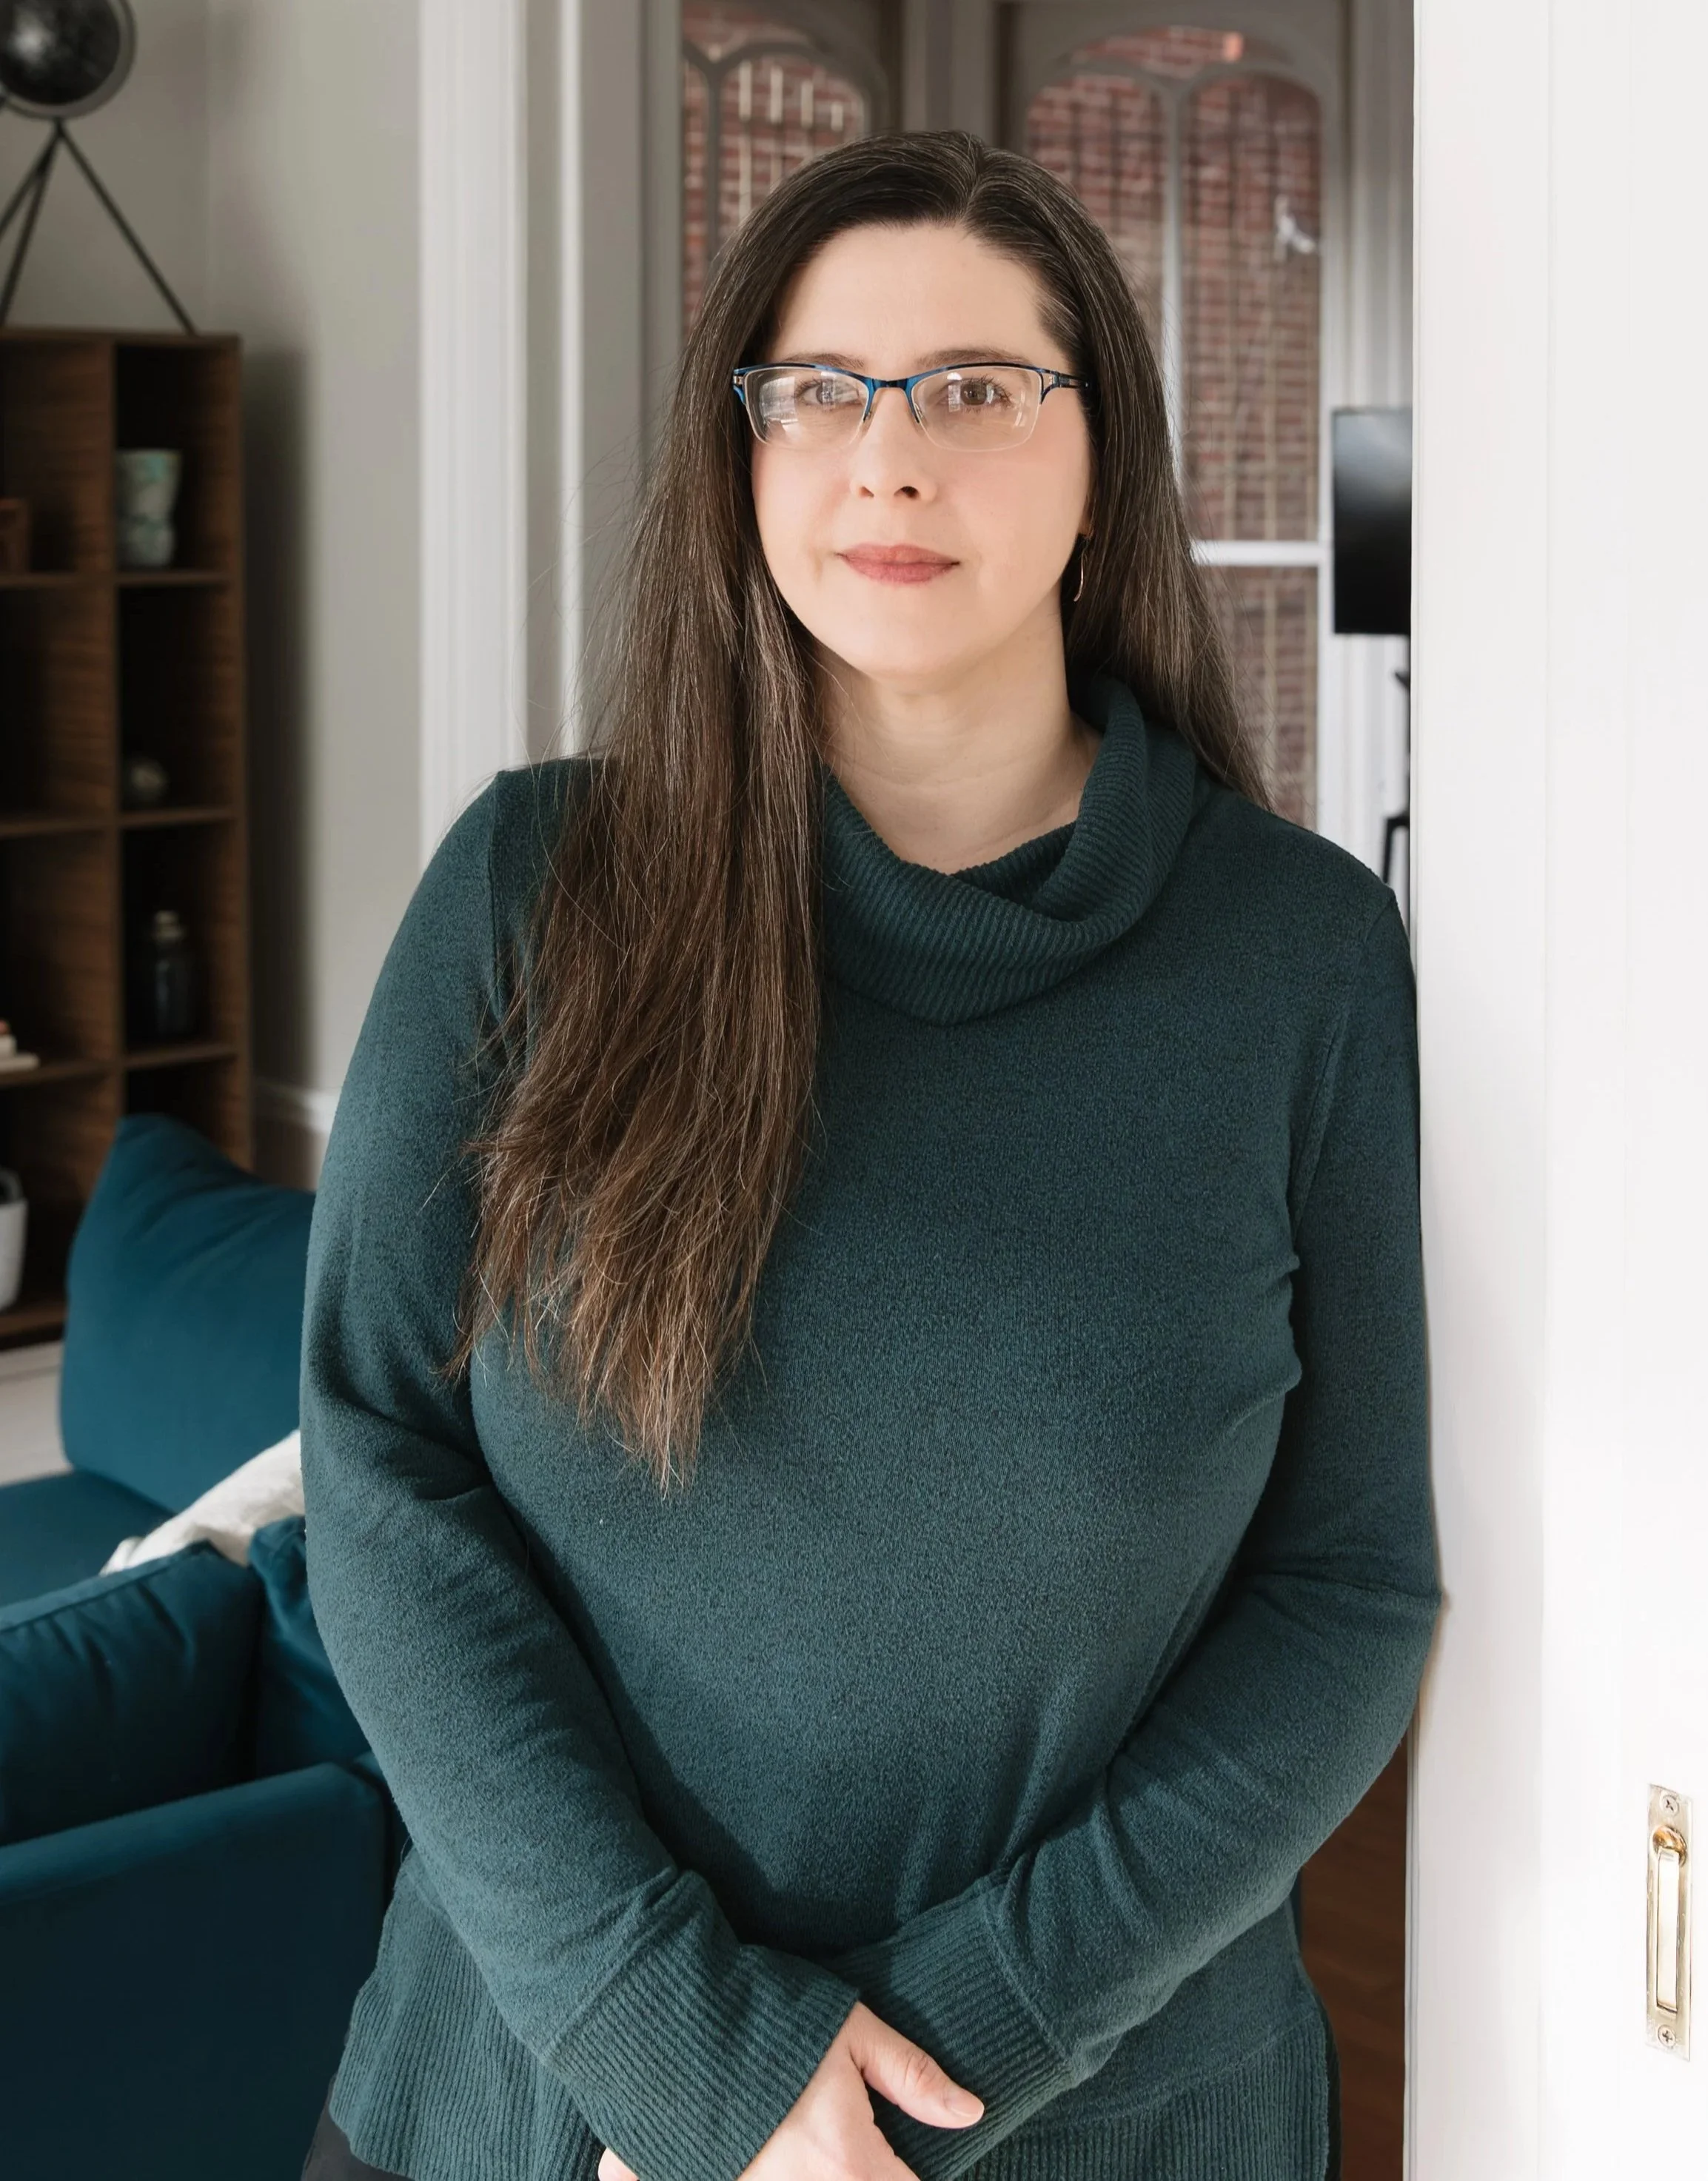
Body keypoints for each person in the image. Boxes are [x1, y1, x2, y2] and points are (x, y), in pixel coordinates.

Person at [298, 127, 1441, 2181]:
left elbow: (1347, 1589)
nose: (885, 461)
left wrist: (930, 2060)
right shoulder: (532, 889)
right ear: (738, 454)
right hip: (541, 2096)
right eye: (815, 391)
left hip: (1120, 2111)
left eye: (975, 392)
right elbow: (383, 1465)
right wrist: (687, 2048)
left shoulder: (1299, 957)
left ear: (1104, 450)